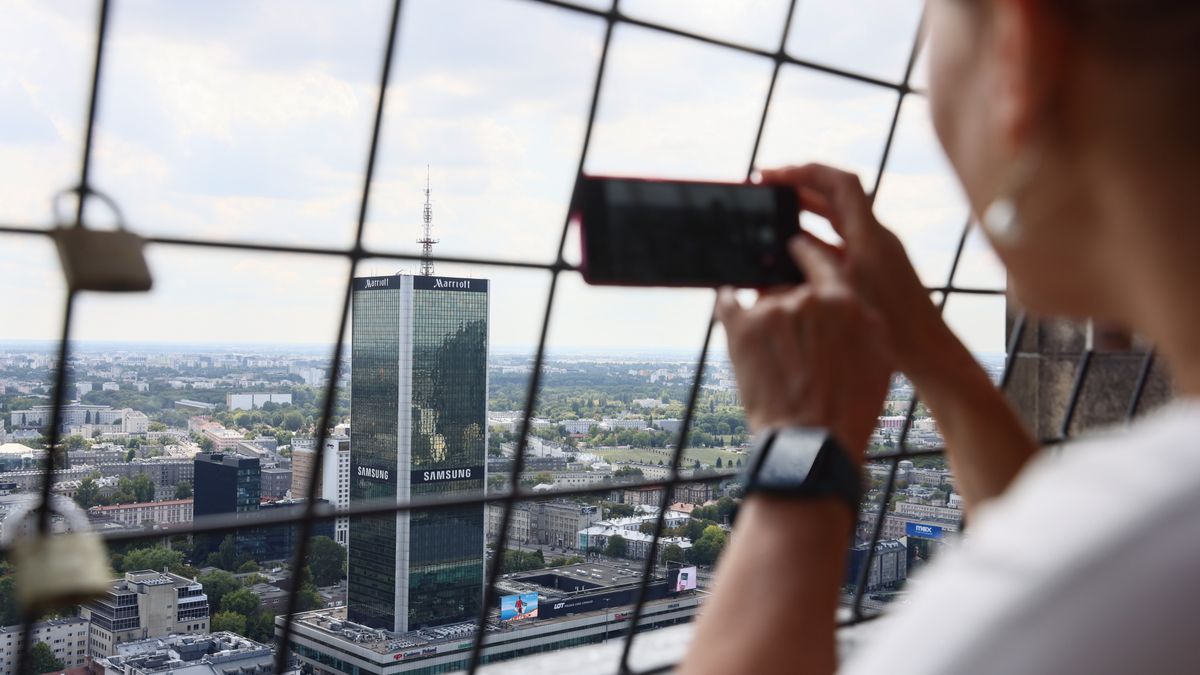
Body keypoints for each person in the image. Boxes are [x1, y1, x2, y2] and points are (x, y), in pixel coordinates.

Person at [679, 1, 1200, 673]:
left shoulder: (1128, 554)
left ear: (1022, 54)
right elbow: (1054, 553)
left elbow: (1069, 577)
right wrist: (921, 340)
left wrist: (800, 445)